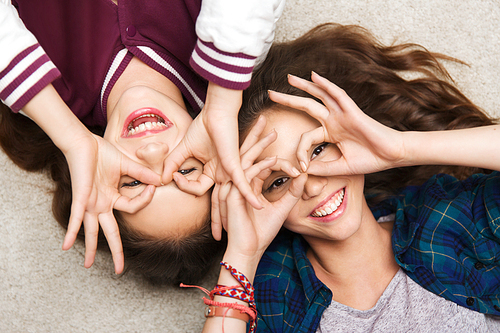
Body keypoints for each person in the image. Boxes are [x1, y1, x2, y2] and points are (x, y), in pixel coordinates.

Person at [199, 23, 500, 332]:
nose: (313, 186)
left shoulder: (446, 219)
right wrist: (242, 257)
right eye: (277, 182)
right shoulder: (276, 294)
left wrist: (400, 147)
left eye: (318, 150)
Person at [0, 0, 285, 284]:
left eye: (133, 182)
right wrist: (222, 103)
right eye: (185, 170)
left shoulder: (49, 93)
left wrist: (71, 137)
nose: (151, 151)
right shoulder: (235, 50)